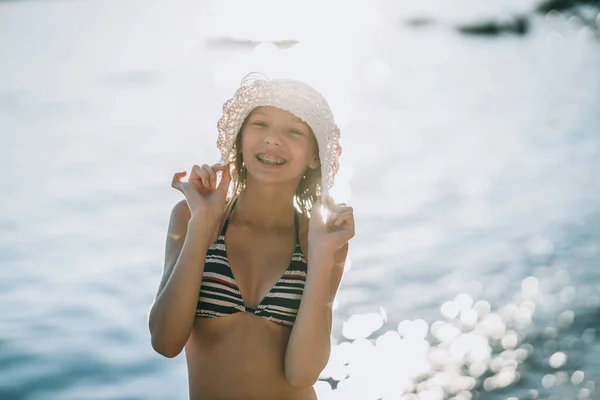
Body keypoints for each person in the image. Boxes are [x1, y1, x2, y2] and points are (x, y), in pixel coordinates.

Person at [148, 73, 355, 400]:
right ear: (240, 139)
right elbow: (165, 341)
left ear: (314, 156)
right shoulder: (191, 217)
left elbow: (302, 372)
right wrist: (203, 224)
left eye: (294, 130)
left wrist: (322, 250)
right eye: (260, 124)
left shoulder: (321, 239)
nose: (273, 139)